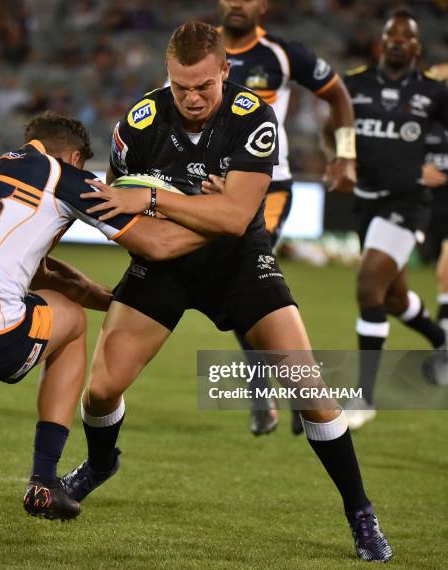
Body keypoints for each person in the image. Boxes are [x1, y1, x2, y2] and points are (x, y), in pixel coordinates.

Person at [62, 22, 392, 562]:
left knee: (310, 390)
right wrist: (189, 210)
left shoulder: (255, 118)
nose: (191, 98)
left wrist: (156, 198)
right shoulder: (137, 125)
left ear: (224, 71)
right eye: (179, 86)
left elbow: (237, 218)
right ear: (166, 76)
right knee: (100, 390)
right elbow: (123, 215)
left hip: (240, 264)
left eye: (203, 87)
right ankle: (100, 464)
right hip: (163, 265)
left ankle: (360, 512)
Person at [0, 111, 208, 542]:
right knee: (72, 324)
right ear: (76, 156)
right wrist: (225, 226)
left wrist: (110, 300)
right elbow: (158, 243)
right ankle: (44, 480)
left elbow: (38, 271)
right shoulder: (61, 175)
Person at [216, 0, 357, 436]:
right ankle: (293, 390)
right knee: (239, 289)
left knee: (243, 280)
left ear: (264, 6)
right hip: (212, 190)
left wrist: (345, 154)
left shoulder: (282, 54)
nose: (238, 2)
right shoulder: (197, 51)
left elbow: (338, 95)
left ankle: (269, 394)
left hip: (268, 189)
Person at [327, 10, 448, 429]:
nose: (398, 41)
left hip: (409, 202)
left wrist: (443, 170)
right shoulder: (355, 83)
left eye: (406, 36)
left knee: (368, 284)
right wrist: (340, 156)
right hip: (365, 202)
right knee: (393, 299)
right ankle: (441, 338)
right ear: (381, 41)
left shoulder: (434, 92)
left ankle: (364, 398)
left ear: (417, 46)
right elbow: (335, 124)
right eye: (391, 34)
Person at [421, 63, 448, 342]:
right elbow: (398, 155)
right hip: (427, 206)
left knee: (446, 270)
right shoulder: (422, 122)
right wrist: (419, 170)